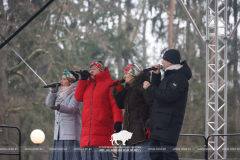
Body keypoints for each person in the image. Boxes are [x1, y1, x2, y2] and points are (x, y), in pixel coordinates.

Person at [143, 49, 192, 160]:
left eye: (164, 60)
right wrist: (156, 76)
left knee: (168, 155)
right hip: (160, 123)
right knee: (155, 154)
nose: (162, 63)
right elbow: (158, 94)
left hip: (169, 124)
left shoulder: (179, 77)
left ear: (170, 62)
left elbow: (169, 96)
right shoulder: (169, 76)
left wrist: (149, 87)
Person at [74, 60, 123, 160]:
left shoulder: (110, 83)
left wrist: (118, 121)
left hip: (102, 127)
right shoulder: (87, 84)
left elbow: (115, 104)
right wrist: (83, 80)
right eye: (90, 69)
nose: (91, 71)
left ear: (101, 69)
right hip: (88, 130)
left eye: (94, 69)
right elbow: (78, 97)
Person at [112, 63, 154, 160]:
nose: (124, 75)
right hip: (128, 134)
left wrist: (150, 125)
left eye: (126, 73)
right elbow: (120, 105)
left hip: (141, 134)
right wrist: (119, 91)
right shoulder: (128, 89)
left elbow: (152, 105)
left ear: (133, 74)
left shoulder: (143, 87)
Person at [45, 69, 82, 160]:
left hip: (69, 134)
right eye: (61, 79)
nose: (61, 81)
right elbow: (49, 104)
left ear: (70, 82)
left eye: (64, 79)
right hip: (58, 134)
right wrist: (53, 91)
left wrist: (59, 107)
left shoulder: (75, 93)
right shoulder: (59, 93)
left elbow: (72, 108)